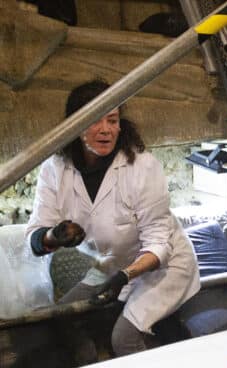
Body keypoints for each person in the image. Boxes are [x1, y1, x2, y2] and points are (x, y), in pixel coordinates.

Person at [26, 80, 200, 361]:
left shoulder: (142, 168)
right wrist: (55, 237)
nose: (105, 129)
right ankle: (90, 359)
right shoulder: (55, 170)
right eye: (95, 120)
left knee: (124, 338)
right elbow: (35, 237)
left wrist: (124, 277)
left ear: (121, 124)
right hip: (111, 264)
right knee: (59, 317)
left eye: (112, 120)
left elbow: (158, 245)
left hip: (163, 267)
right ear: (75, 125)